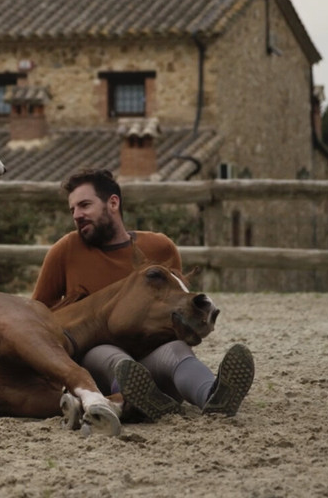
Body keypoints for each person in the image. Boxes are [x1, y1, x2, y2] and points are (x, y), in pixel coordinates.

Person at [31, 168, 255, 421]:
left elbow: (176, 305)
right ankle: (125, 399)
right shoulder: (65, 251)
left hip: (151, 352)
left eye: (84, 205)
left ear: (113, 202)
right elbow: (37, 315)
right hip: (94, 357)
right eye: (72, 210)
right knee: (108, 354)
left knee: (177, 352)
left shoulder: (160, 248)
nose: (77, 215)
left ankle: (213, 396)